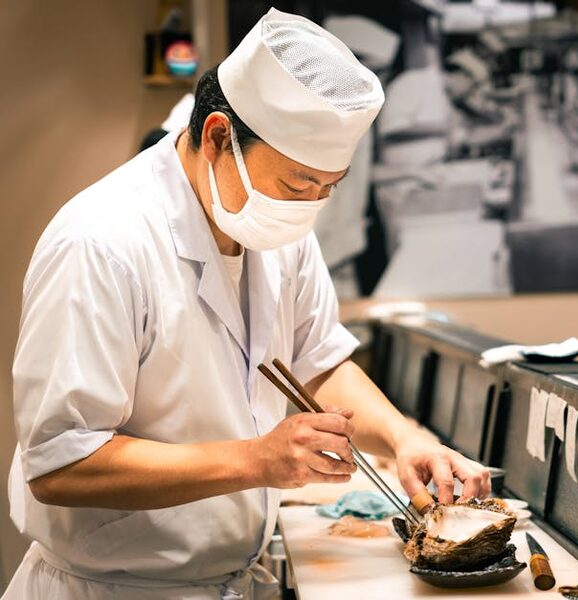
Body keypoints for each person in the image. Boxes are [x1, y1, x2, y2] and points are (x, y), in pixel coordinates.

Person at [5, 10, 490, 599]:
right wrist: (257, 460)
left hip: (232, 580)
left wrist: (403, 438)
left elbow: (319, 362)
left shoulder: (277, 229)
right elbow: (62, 465)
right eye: (294, 186)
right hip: (112, 588)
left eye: (326, 189)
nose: (307, 208)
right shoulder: (101, 242)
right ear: (217, 137)